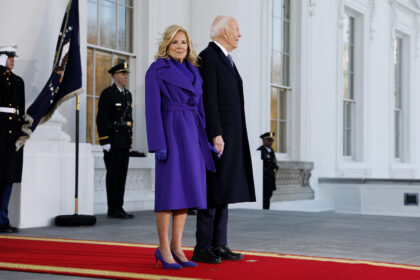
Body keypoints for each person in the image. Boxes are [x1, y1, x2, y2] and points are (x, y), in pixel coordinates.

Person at [145, 25, 217, 269]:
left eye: (183, 42)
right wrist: (158, 143)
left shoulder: (194, 72)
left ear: (189, 46)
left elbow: (200, 110)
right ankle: (163, 248)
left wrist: (204, 140)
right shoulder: (157, 70)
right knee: (169, 193)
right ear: (167, 44)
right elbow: (152, 109)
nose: (179, 47)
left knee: (185, 193)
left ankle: (177, 246)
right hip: (171, 132)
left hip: (192, 135)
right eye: (175, 42)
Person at [192, 16, 256, 264]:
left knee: (225, 188)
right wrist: (215, 133)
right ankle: (203, 246)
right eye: (237, 30)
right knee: (213, 188)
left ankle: (219, 244)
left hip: (231, 135)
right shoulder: (208, 57)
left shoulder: (226, 59)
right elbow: (208, 99)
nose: (240, 34)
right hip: (217, 137)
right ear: (224, 32)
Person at [96, 61, 134, 219]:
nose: (126, 76)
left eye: (126, 74)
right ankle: (112, 208)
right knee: (113, 175)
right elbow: (101, 118)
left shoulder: (127, 95)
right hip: (112, 141)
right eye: (123, 74)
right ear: (115, 76)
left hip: (124, 141)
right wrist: (104, 140)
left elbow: (129, 119)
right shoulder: (108, 94)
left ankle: (120, 206)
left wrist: (130, 139)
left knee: (122, 175)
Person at [0, 44, 25, 233]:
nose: (12, 59)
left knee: (8, 178)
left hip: (12, 136)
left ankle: (3, 219)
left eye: (13, 56)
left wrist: (22, 133)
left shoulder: (18, 82)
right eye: (9, 56)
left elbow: (20, 110)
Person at [257, 132, 279, 210]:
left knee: (269, 195)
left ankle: (267, 210)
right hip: (264, 179)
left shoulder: (271, 150)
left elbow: (274, 163)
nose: (271, 142)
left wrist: (275, 169)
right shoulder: (260, 150)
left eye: (272, 140)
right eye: (269, 140)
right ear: (263, 140)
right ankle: (264, 211)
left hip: (270, 178)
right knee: (264, 197)